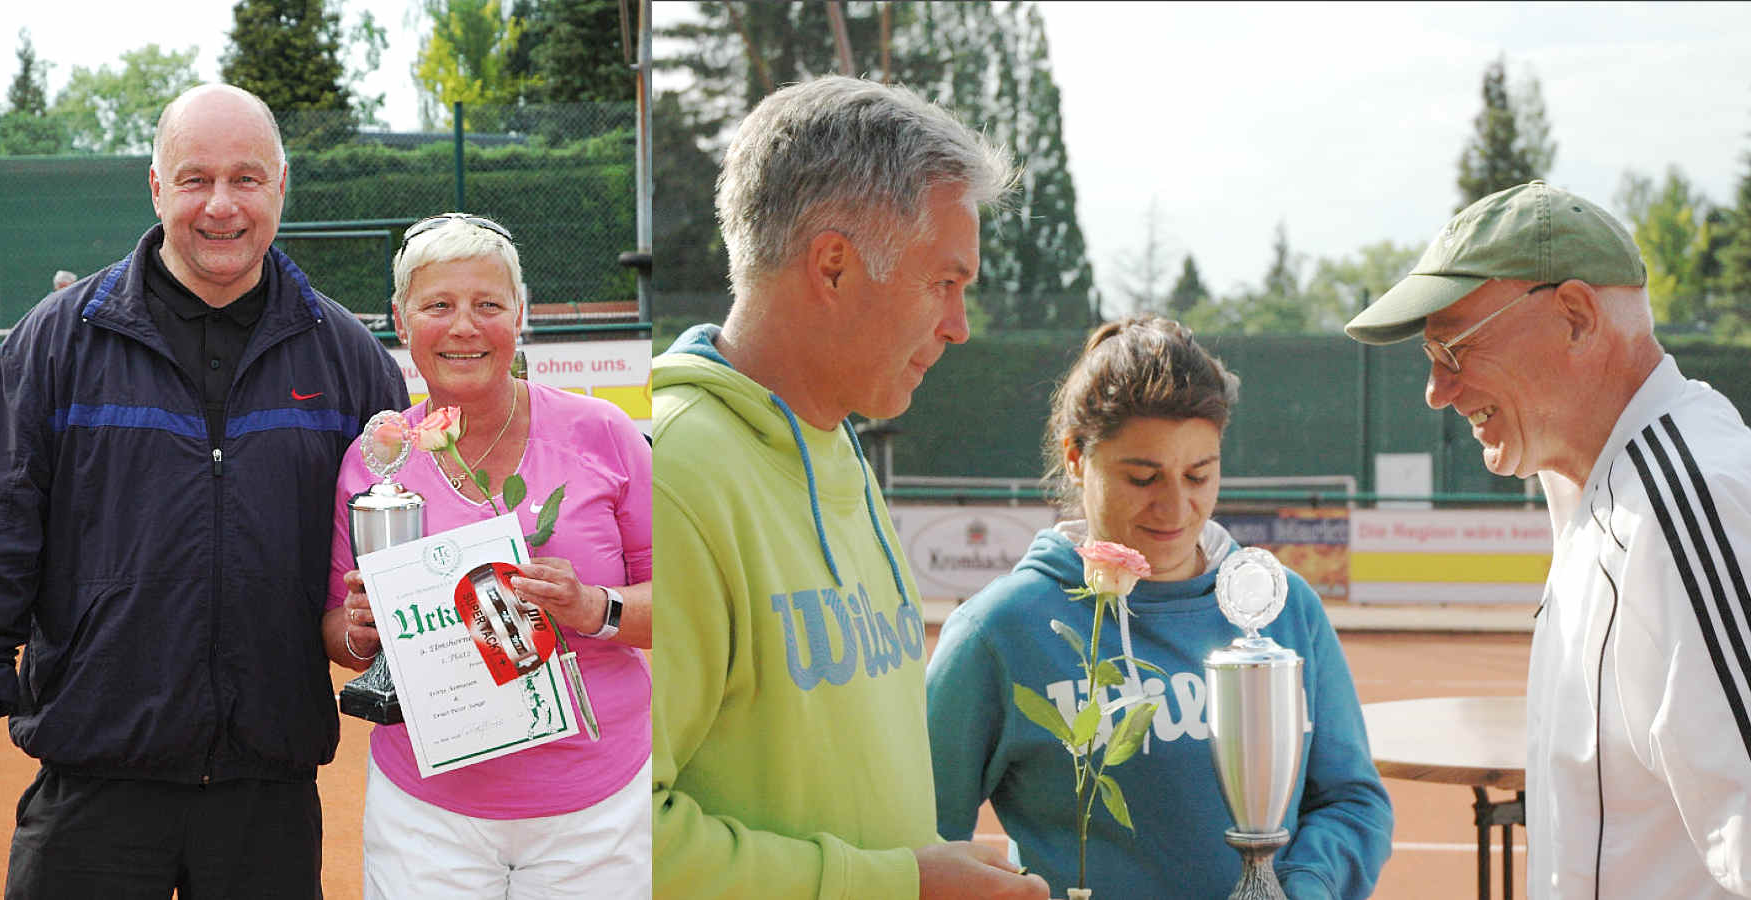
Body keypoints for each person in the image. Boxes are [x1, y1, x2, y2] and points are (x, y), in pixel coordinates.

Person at [0, 83, 409, 897]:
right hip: (93, 780)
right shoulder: (57, 343)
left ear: (281, 186)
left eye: (246, 178)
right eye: (195, 179)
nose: (221, 204)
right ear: (157, 189)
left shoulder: (347, 359)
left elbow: (385, 556)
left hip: (268, 789)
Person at [651, 75, 1045, 900]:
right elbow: (612, 829)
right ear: (833, 267)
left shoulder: (837, 446)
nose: (958, 326)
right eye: (944, 282)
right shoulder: (673, 472)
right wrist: (898, 883)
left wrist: (926, 868)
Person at [1345, 179, 1751, 897]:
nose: (1437, 389)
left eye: (1454, 345)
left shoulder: (1685, 504)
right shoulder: (1609, 495)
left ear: (1575, 317)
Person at [926, 316, 1393, 899]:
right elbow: (924, 842)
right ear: (1076, 457)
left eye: (1198, 475)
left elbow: (1352, 800)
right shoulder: (997, 632)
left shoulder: (1285, 607)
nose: (1175, 507)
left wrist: (1304, 888)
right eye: (1143, 477)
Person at [325, 212, 653, 898]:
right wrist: (360, 630)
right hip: (426, 815)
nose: (465, 327)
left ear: (521, 315)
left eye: (488, 306)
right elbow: (336, 632)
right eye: (438, 306)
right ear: (401, 321)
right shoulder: (373, 461)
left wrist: (592, 607)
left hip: (597, 808)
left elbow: (686, 602)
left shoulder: (605, 434)